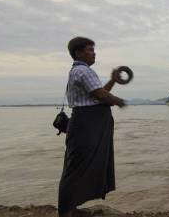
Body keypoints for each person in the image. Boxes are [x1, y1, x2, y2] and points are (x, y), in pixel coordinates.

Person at [58, 37, 126, 217]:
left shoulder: (79, 71)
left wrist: (112, 81)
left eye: (93, 49)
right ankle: (66, 212)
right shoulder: (83, 71)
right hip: (87, 124)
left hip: (86, 124)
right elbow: (101, 96)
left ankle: (70, 209)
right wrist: (120, 102)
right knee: (76, 168)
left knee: (79, 165)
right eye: (89, 49)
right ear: (78, 52)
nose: (94, 53)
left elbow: (97, 94)